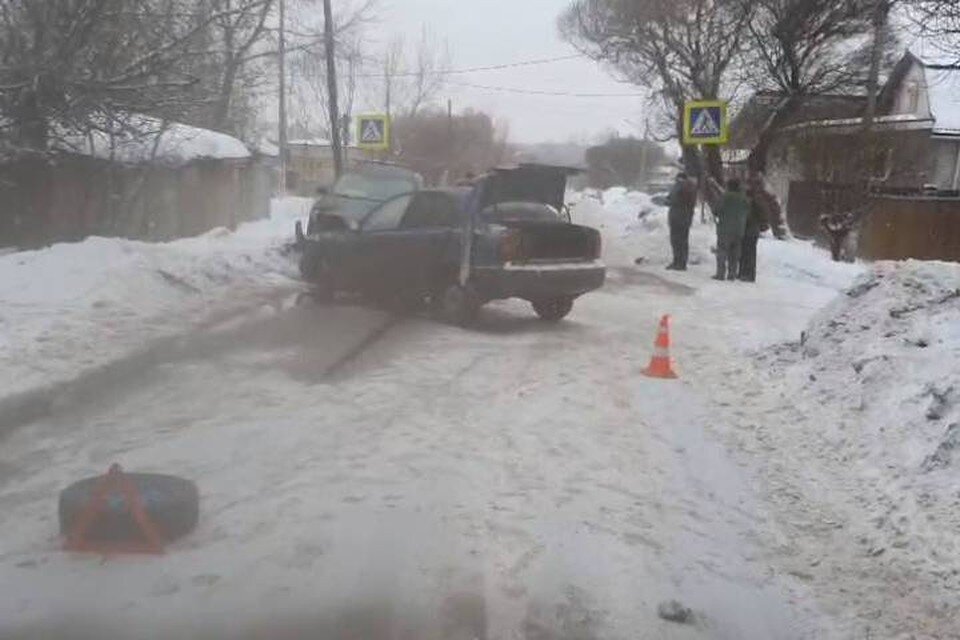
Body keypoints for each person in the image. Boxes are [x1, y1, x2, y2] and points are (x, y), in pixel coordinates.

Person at [713, 178, 750, 281]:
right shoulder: (744, 199)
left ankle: (720, 274)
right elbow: (747, 211)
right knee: (735, 253)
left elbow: (716, 210)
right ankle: (732, 274)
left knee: (722, 251)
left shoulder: (725, 197)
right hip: (739, 230)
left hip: (725, 229)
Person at [665, 172, 698, 270]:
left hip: (676, 217)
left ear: (678, 178)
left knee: (676, 241)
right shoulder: (692, 188)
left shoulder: (678, 187)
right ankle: (682, 263)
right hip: (687, 218)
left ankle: (677, 262)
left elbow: (672, 200)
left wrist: (667, 201)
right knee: (684, 241)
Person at [739, 183, 769, 282]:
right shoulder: (759, 202)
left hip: (748, 230)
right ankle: (750, 274)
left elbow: (747, 217)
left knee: (745, 252)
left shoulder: (749, 203)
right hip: (755, 230)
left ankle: (744, 273)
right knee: (751, 252)